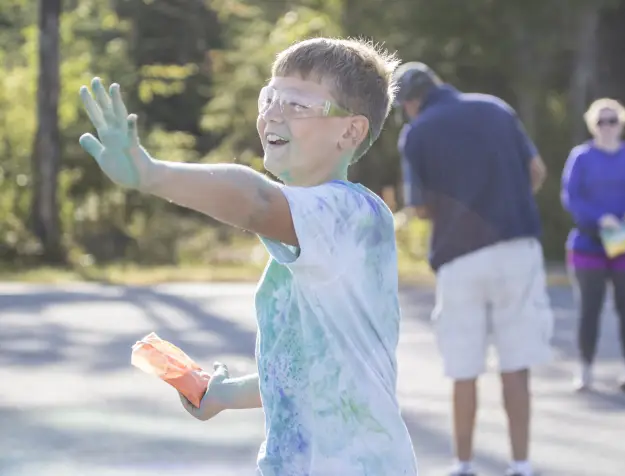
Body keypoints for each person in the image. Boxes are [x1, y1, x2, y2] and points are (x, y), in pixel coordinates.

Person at [78, 37, 418, 475]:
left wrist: (151, 174)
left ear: (350, 131)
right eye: (269, 98)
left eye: (297, 104)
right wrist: (224, 393)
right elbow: (309, 368)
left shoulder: (353, 214)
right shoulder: (308, 236)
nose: (273, 113)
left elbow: (255, 201)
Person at [393, 62, 553, 476]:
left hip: (460, 257)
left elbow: (419, 205)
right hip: (518, 247)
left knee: (463, 367)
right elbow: (536, 171)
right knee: (516, 363)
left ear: (411, 101)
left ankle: (463, 464)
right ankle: (521, 464)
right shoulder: (496, 109)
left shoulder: (417, 132)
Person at [561, 98, 625, 393]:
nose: (607, 126)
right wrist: (599, 218)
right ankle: (586, 370)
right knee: (589, 309)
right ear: (593, 125)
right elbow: (571, 197)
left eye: (612, 120)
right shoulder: (581, 157)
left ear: (621, 123)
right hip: (589, 243)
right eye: (601, 121)